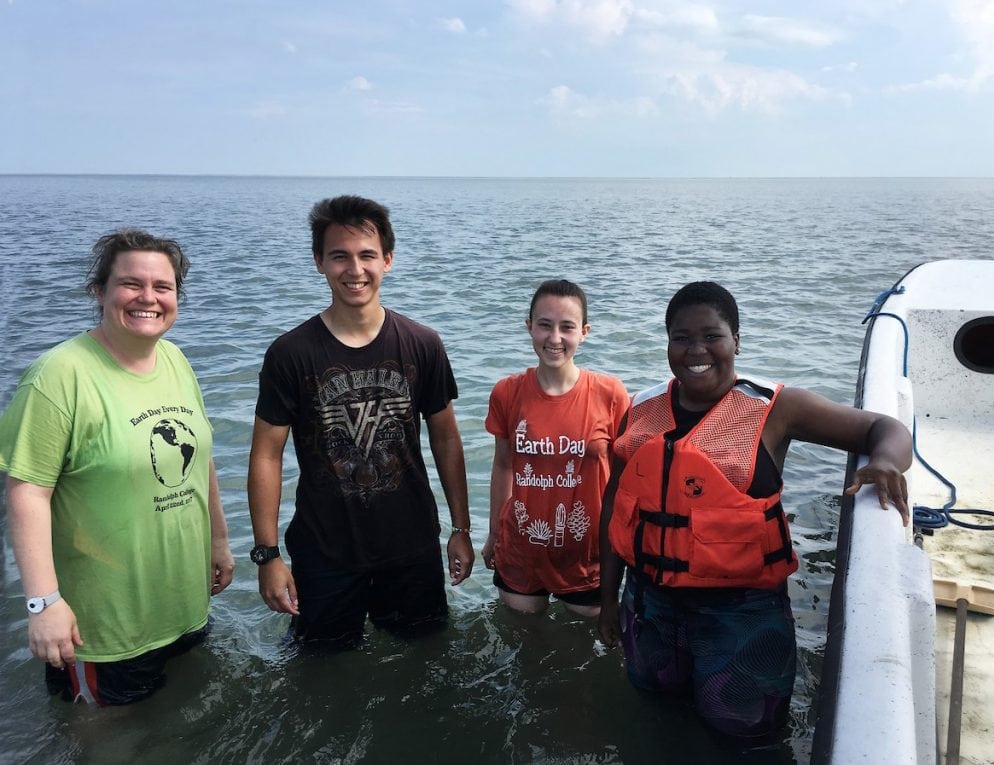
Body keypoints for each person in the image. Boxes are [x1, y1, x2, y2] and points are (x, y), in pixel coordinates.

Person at [598, 281, 911, 742]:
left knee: (745, 736)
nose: (696, 350)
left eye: (712, 335)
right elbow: (614, 507)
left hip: (742, 615)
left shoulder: (778, 409)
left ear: (737, 341)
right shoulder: (642, 408)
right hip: (649, 606)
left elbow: (884, 428)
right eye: (681, 337)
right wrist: (608, 598)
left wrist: (884, 462)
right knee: (656, 718)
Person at [0, 229, 234, 706]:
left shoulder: (175, 360)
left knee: (182, 722)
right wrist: (43, 604)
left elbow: (197, 457)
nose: (148, 297)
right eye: (131, 284)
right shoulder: (59, 375)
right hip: (102, 625)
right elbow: (26, 492)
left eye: (163, 287)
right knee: (111, 745)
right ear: (100, 291)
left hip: (182, 602)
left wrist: (219, 540)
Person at [247, 195, 473, 649]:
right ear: (319, 263)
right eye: (339, 256)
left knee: (426, 656)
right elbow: (266, 454)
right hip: (325, 548)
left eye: (367, 255)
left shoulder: (422, 344)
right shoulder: (290, 354)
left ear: (388, 260)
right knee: (321, 669)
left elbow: (446, 440)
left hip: (411, 544)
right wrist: (268, 555)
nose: (355, 269)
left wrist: (461, 530)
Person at [482, 279, 629, 617]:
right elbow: (503, 466)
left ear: (585, 331)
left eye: (567, 327)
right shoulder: (507, 392)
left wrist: (623, 546)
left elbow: (625, 478)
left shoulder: (609, 393)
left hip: (586, 557)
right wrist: (493, 535)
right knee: (522, 649)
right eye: (545, 325)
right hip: (521, 548)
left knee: (579, 654)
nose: (555, 338)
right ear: (529, 326)